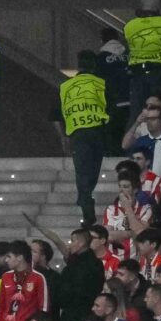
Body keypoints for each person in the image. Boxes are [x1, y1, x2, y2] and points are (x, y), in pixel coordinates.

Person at [57, 50, 110, 224]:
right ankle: (86, 203)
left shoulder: (65, 86)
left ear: (79, 65)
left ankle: (85, 199)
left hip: (78, 132)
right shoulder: (101, 83)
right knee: (93, 170)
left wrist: (65, 135)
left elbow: (58, 113)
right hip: (97, 131)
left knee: (82, 171)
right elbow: (111, 107)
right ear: (94, 65)